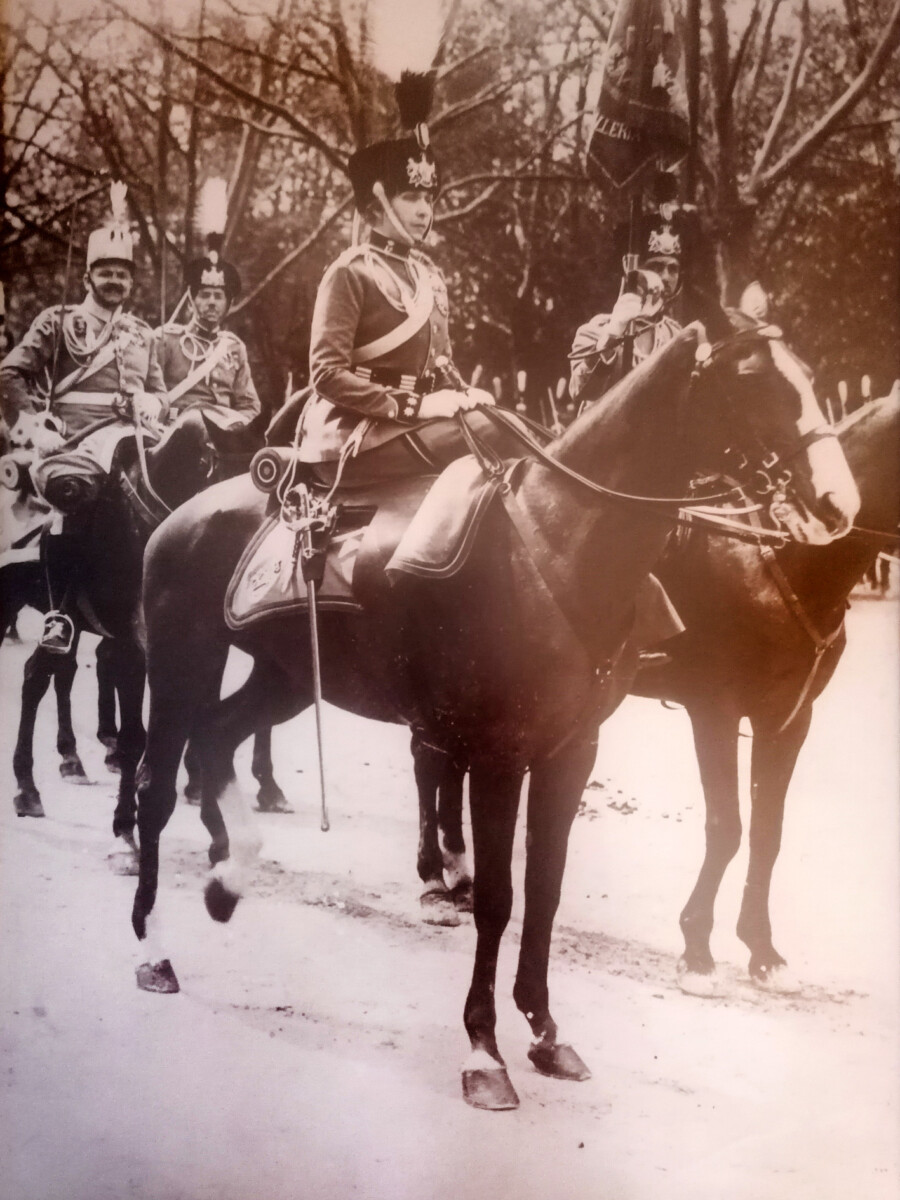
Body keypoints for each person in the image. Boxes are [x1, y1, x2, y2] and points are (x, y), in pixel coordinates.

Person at [295, 72, 519, 484]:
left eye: (428, 199)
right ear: (376, 205)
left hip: (406, 428)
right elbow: (326, 374)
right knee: (497, 434)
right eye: (411, 197)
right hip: (351, 433)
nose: (423, 211)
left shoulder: (429, 276)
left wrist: (465, 392)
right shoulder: (351, 272)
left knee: (503, 423)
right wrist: (412, 407)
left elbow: (441, 366)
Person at [0, 182, 166, 651]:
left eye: (122, 275)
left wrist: (154, 403)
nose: (115, 282)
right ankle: (59, 610)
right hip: (70, 442)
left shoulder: (142, 333)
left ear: (132, 283)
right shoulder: (59, 321)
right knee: (71, 499)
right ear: (89, 276)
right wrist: (37, 423)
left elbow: (159, 391)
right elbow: (10, 371)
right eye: (106, 272)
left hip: (132, 440)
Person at [154, 179, 260, 426]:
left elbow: (249, 405)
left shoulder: (234, 348)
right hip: (172, 435)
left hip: (220, 438)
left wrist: (233, 427)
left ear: (227, 303)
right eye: (204, 295)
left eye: (218, 296)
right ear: (191, 301)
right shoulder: (166, 340)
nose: (211, 302)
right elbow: (150, 392)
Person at [568, 211, 687, 409]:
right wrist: (613, 333)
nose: (666, 277)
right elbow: (580, 391)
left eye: (672, 269)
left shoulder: (677, 336)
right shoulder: (596, 330)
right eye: (656, 267)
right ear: (630, 268)